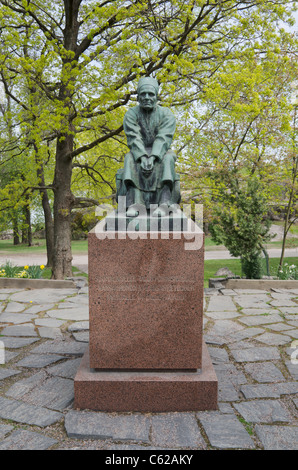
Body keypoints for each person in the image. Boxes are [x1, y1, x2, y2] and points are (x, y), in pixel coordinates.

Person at [116, 76, 180, 217]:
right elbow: (133, 136)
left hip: (162, 151)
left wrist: (154, 156)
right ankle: (135, 203)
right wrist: (143, 156)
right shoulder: (131, 114)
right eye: (143, 94)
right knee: (129, 158)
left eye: (151, 94)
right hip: (138, 151)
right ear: (138, 97)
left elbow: (164, 137)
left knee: (168, 159)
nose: (147, 97)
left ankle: (164, 203)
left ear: (156, 97)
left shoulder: (166, 114)